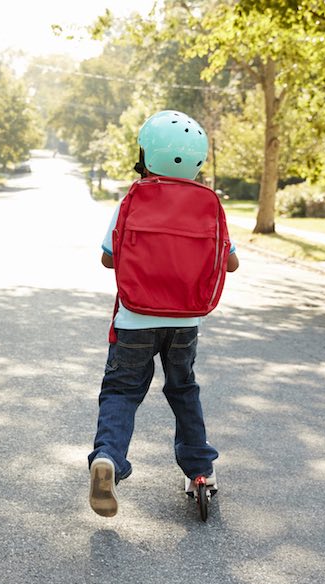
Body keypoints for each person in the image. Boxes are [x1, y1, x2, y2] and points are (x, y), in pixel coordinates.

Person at [88, 111, 239, 518]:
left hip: (135, 318)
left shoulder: (134, 198)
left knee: (121, 391)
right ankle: (199, 472)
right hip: (185, 321)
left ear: (146, 154)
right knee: (183, 389)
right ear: (198, 160)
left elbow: (108, 259)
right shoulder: (208, 204)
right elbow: (231, 263)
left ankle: (108, 458)